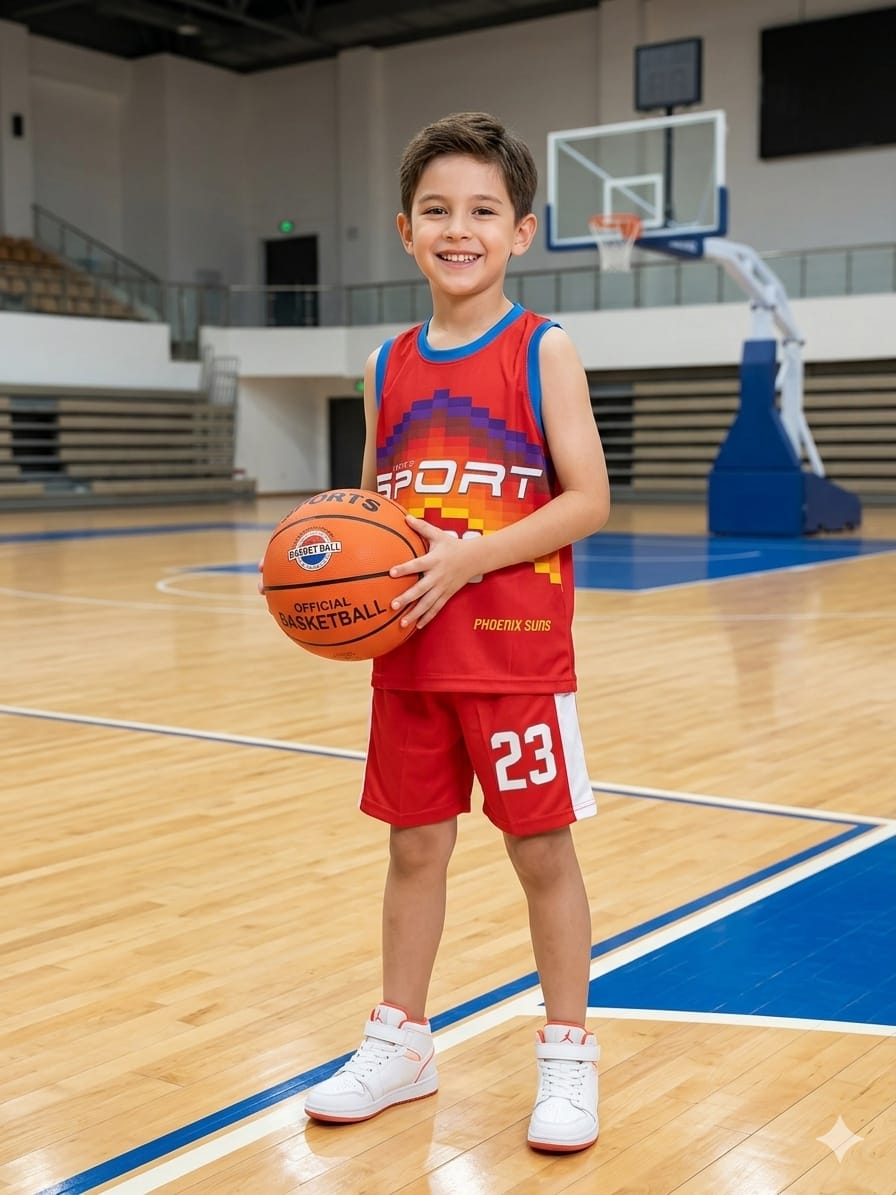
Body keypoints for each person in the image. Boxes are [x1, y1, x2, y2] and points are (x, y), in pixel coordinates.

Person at [302, 111, 610, 1153]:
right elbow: (368, 509)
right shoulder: (384, 364)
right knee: (414, 846)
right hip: (412, 656)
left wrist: (471, 556)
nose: (458, 229)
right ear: (405, 230)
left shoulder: (541, 349)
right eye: (436, 210)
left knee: (540, 851)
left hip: (515, 652)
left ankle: (567, 1052)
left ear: (520, 231)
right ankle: (402, 1041)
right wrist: (332, 570)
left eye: (483, 210)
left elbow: (587, 499)